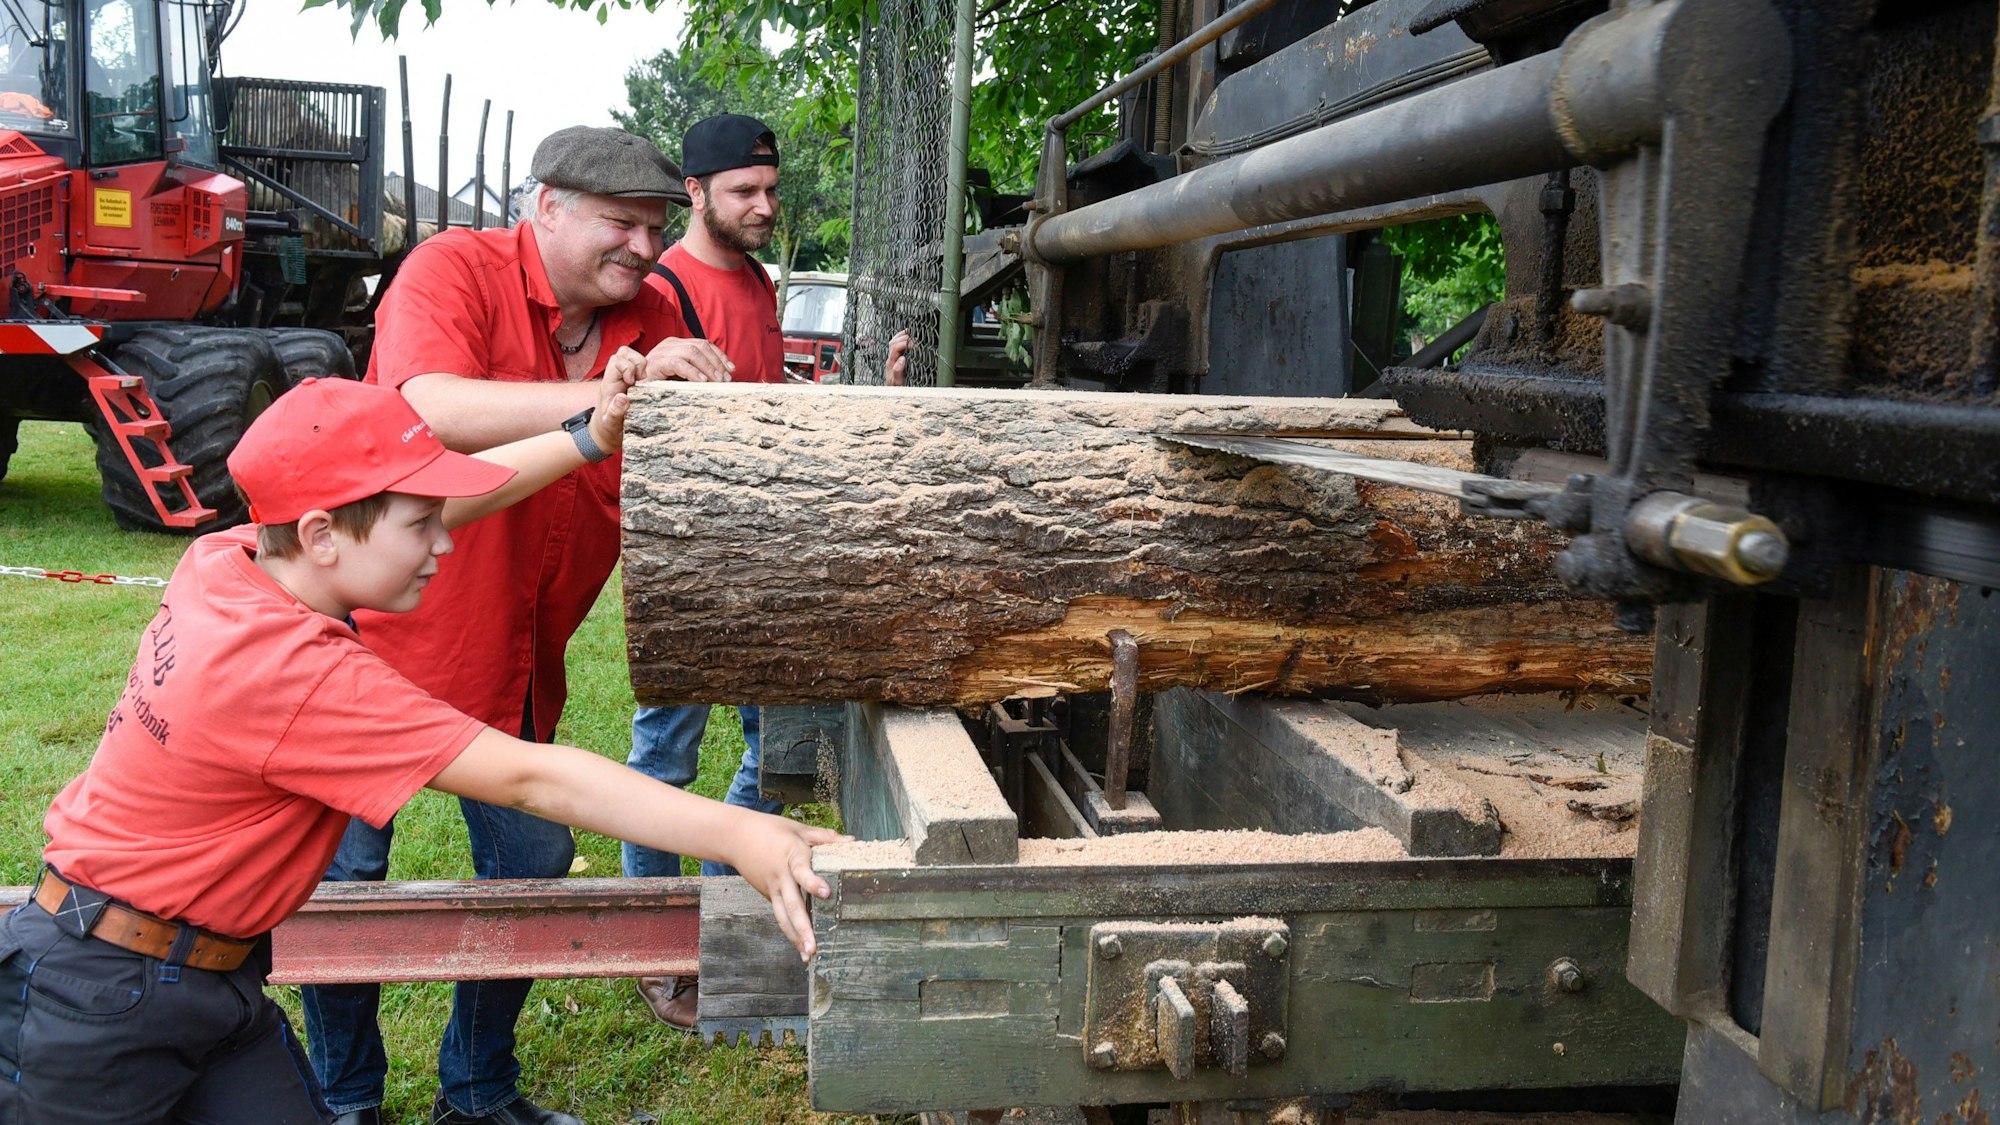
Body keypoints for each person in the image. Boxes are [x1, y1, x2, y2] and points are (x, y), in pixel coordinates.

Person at [0, 374, 841, 1125]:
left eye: (438, 516)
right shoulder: (295, 674)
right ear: (323, 533)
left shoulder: (231, 558)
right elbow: (528, 776)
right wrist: (742, 835)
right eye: (421, 524)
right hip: (104, 1003)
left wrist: (590, 435)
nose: (444, 541)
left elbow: (408, 510)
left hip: (192, 978)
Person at [299, 126, 730, 1125]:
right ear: (544, 207)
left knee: (531, 873)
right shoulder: (449, 268)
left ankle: (478, 1092)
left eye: (655, 226)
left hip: (516, 658)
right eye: (620, 222)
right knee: (346, 888)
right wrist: (607, 397)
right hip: (378, 645)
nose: (641, 245)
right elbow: (426, 406)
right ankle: (343, 1102)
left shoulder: (653, 311)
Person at [621, 114, 905, 1031]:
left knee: (762, 745)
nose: (766, 207)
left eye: (771, 191)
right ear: (696, 193)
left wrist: (871, 400)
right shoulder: (658, 292)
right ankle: (658, 946)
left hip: (760, 556)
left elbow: (768, 403)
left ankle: (723, 906)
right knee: (664, 754)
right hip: (686, 564)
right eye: (746, 192)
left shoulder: (756, 281)